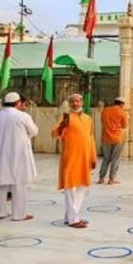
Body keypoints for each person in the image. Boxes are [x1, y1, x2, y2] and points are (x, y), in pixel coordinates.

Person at [52, 93, 97, 229]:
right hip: (70, 157)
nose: (75, 104)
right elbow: (54, 134)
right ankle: (73, 219)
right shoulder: (65, 118)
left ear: (82, 102)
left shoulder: (88, 119)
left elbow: (91, 139)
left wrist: (93, 157)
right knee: (70, 188)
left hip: (85, 157)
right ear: (69, 104)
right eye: (73, 102)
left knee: (83, 186)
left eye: (78, 101)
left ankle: (71, 216)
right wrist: (62, 127)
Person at [0, 92, 38, 221]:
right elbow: (34, 131)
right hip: (19, 154)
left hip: (2, 153)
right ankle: (19, 214)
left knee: (2, 184)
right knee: (19, 184)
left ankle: (0, 212)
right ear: (18, 103)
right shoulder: (23, 116)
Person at [99, 97, 129, 185]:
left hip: (106, 138)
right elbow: (124, 126)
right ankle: (111, 179)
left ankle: (101, 178)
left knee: (106, 158)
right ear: (121, 104)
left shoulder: (105, 110)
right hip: (117, 138)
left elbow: (102, 121)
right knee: (115, 159)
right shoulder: (122, 113)